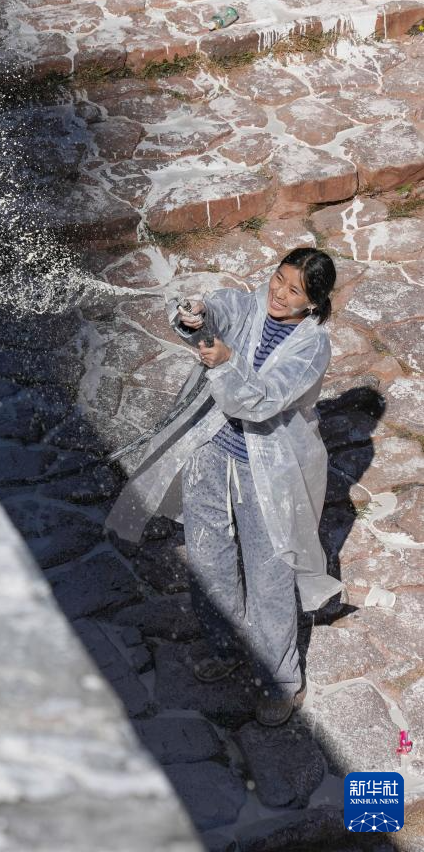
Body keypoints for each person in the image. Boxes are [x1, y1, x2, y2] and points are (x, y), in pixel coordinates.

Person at [105, 248, 342, 728]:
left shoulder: (311, 347)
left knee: (269, 572)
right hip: (210, 451)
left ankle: (281, 681)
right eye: (279, 279)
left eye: (295, 290)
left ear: (314, 303)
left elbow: (262, 401)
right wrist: (197, 315)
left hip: (267, 469)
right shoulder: (252, 304)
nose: (279, 293)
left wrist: (228, 361)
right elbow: (221, 309)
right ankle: (226, 646)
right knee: (207, 555)